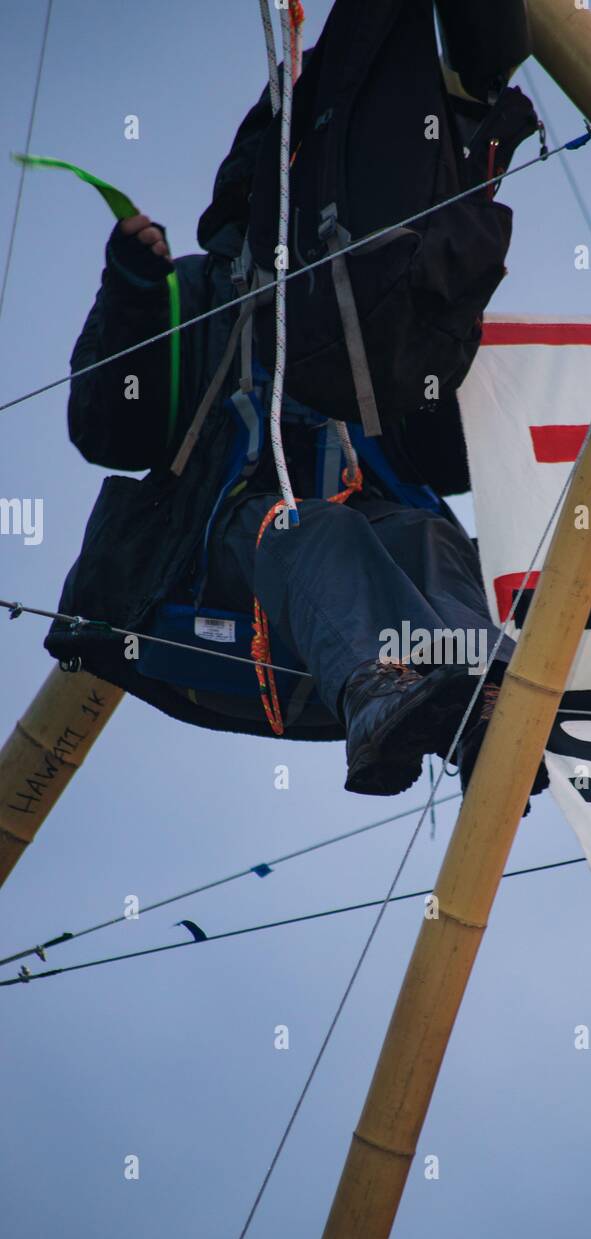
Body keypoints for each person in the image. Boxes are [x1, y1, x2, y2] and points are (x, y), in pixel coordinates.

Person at [46, 5, 547, 807]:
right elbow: (106, 427)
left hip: (352, 563)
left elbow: (442, 461)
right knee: (307, 528)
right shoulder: (197, 298)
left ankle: (484, 701)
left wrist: (443, 334)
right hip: (214, 561)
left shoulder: (359, 308)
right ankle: (380, 695)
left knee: (426, 534)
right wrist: (135, 299)